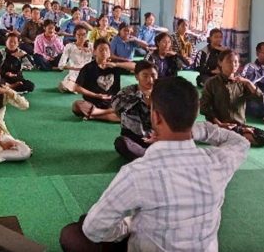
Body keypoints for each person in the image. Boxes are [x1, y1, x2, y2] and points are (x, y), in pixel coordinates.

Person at [59, 77, 250, 252]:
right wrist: (196, 130)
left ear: (156, 117)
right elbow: (241, 142)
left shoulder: (137, 173)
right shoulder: (217, 162)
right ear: (196, 112)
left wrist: (129, 225)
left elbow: (94, 229)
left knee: (74, 234)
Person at [200, 49, 264, 147]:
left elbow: (261, 99)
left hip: (239, 126)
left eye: (236, 62)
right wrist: (220, 123)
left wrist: (248, 83)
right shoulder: (211, 83)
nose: (233, 64)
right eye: (229, 61)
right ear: (220, 63)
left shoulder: (243, 82)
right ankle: (232, 136)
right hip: (218, 125)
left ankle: (232, 136)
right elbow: (204, 107)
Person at [72, 38, 135, 122]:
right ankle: (107, 113)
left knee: (134, 104)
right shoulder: (88, 68)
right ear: (94, 52)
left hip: (113, 102)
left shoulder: (115, 66)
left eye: (106, 50)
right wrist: (96, 95)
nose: (104, 52)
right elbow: (76, 88)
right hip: (93, 102)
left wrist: (116, 64)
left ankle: (95, 115)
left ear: (110, 52)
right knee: (76, 105)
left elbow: (135, 67)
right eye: (101, 50)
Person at [112, 60, 158, 161]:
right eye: (145, 76)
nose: (150, 80)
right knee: (121, 143)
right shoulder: (127, 92)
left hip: (157, 138)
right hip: (134, 138)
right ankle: (149, 155)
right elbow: (116, 108)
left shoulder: (163, 93)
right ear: (137, 76)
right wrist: (144, 96)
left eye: (153, 75)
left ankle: (148, 155)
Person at [58, 25, 93, 93]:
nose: (81, 37)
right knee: (64, 85)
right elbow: (61, 65)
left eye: (83, 34)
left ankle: (80, 88)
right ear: (75, 35)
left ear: (87, 35)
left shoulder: (91, 46)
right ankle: (79, 88)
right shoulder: (69, 46)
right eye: (78, 35)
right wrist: (76, 68)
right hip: (74, 74)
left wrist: (92, 52)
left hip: (89, 73)